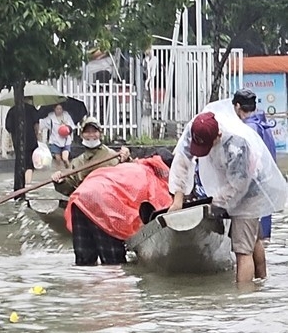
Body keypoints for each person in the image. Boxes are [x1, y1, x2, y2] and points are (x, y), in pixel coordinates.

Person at [168, 101, 287, 283]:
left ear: (219, 136)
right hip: (229, 183)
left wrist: (215, 203)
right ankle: (262, 284)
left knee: (242, 249)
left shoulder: (237, 144)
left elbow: (238, 185)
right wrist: (177, 199)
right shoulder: (196, 128)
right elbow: (181, 162)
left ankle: (243, 299)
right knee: (252, 238)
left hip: (250, 188)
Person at [64, 150, 174, 266]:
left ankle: (82, 283)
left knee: (84, 262)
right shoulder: (156, 181)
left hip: (81, 197)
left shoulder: (131, 166)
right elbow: (158, 215)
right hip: (104, 202)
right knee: (114, 264)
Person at [232, 88, 278, 240]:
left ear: (237, 107)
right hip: (266, 188)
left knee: (246, 247)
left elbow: (246, 164)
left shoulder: (247, 130)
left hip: (252, 192)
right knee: (260, 239)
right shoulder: (263, 125)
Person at [51, 117, 131, 196]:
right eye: (87, 132)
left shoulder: (113, 156)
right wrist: (60, 181)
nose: (91, 135)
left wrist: (127, 159)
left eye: (94, 131)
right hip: (86, 202)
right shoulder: (76, 162)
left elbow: (128, 179)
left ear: (100, 134)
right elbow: (69, 190)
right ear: (82, 135)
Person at [5, 101, 41, 184]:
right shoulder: (32, 109)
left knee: (20, 162)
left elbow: (8, 128)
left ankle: (21, 183)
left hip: (17, 141)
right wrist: (37, 135)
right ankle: (28, 184)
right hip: (31, 140)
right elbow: (36, 125)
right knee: (29, 164)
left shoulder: (12, 110)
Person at [43, 103, 76, 169]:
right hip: (55, 140)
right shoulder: (51, 116)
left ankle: (69, 169)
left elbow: (72, 126)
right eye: (57, 109)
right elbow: (44, 123)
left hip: (66, 141)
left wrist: (67, 126)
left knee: (65, 158)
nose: (59, 110)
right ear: (54, 109)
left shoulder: (66, 115)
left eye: (60, 109)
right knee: (58, 159)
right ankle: (59, 173)